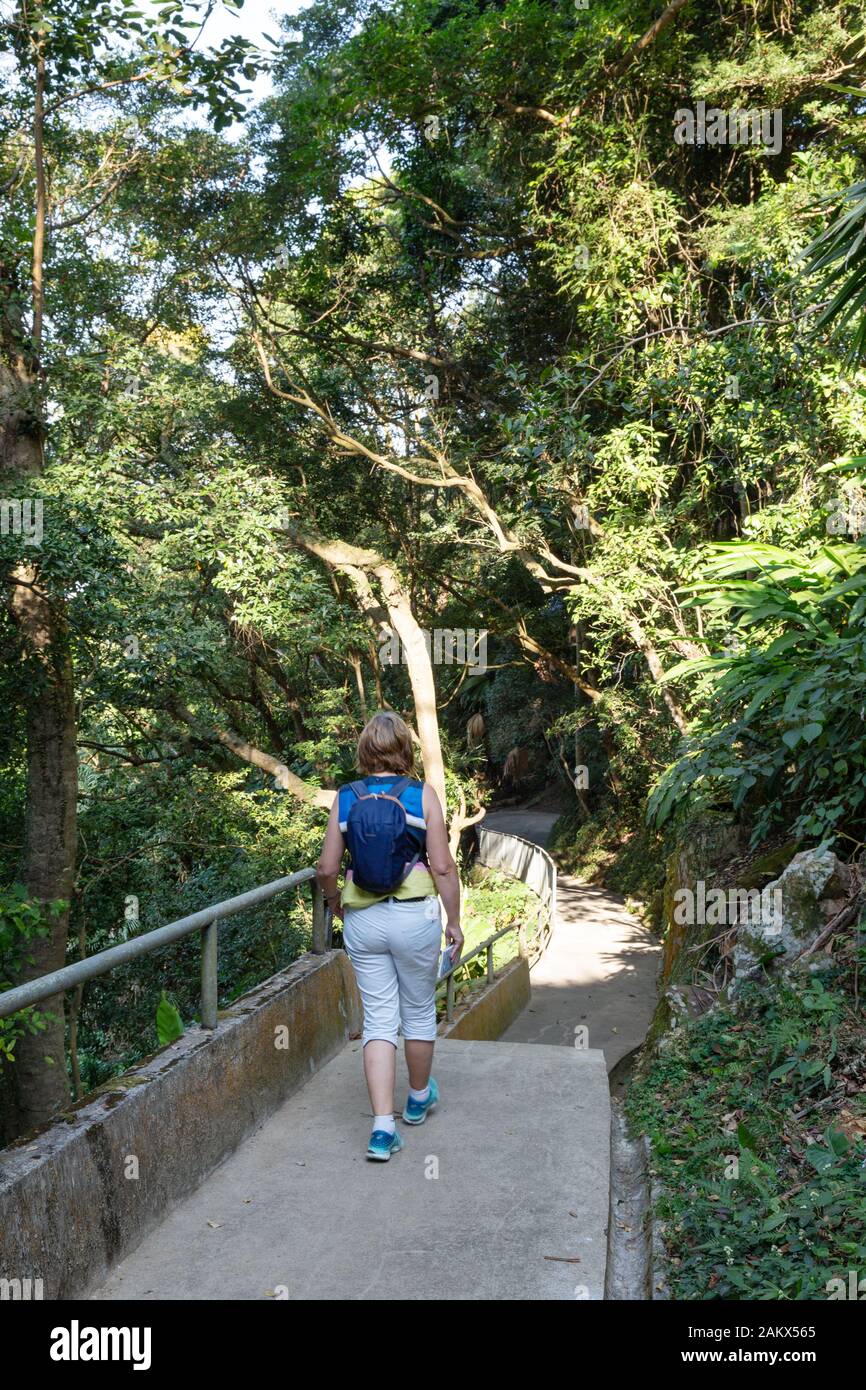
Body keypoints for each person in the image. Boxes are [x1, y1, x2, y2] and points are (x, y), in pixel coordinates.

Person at [317, 711, 463, 1161]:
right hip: (414, 917)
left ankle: (382, 1130)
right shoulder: (422, 795)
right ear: (404, 750)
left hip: (364, 919)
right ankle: (418, 1099)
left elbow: (325, 868)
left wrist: (336, 902)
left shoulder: (346, 797)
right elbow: (441, 866)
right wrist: (454, 921)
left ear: (364, 750)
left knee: (379, 1020)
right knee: (418, 1010)